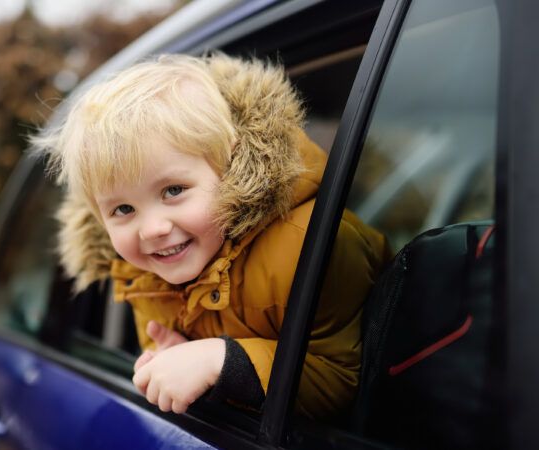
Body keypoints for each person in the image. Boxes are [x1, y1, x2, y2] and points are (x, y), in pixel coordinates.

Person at [33, 53, 390, 419]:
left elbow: (346, 382)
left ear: (229, 167)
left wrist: (222, 361)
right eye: (123, 210)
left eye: (173, 190)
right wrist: (176, 358)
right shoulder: (143, 279)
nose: (153, 228)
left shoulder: (311, 244)